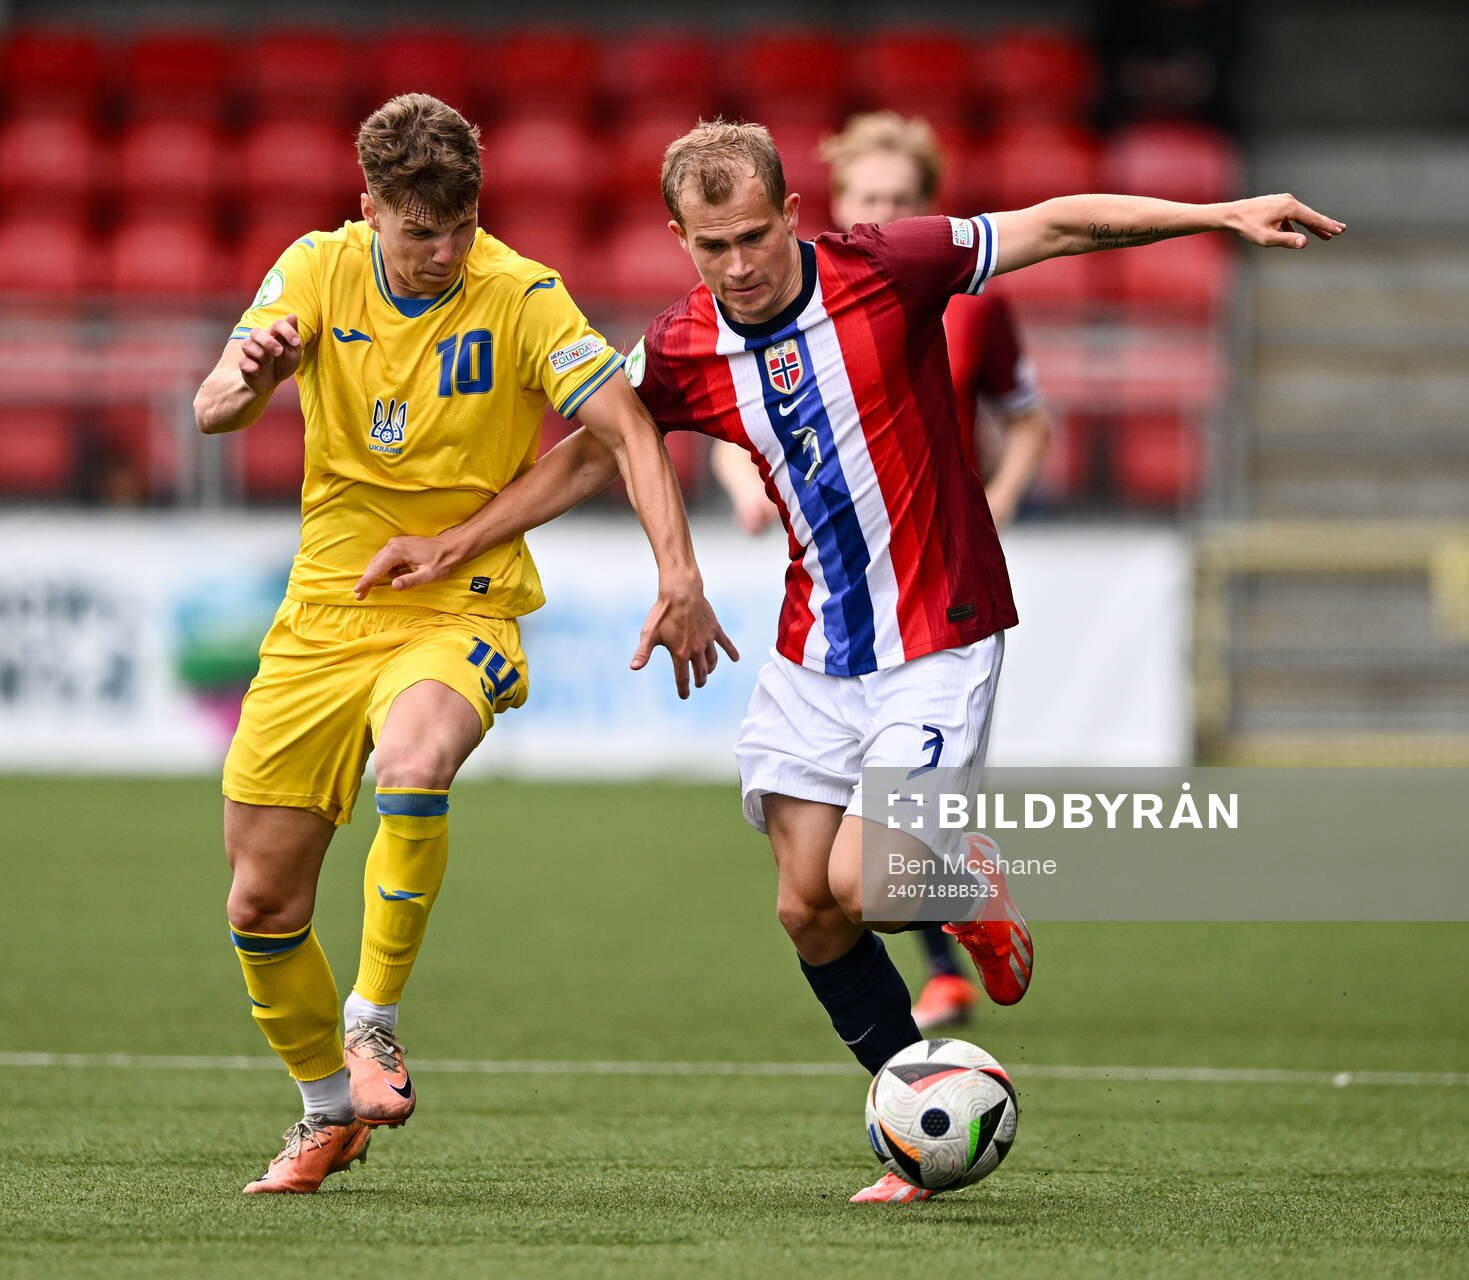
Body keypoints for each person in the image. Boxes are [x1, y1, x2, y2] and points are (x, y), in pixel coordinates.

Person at [357, 120, 1343, 1203]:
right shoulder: (684, 345)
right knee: (803, 906)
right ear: (678, 238)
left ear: (790, 216)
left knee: (865, 881)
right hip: (813, 647)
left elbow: (1056, 224)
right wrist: (455, 544)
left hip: (939, 630)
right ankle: (916, 1118)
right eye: (710, 246)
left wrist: (1221, 215)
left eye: (752, 238)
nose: (737, 265)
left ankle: (964, 882)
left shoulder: (888, 268)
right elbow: (595, 451)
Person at [193, 94, 734, 1195]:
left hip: (461, 605)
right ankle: (323, 1105)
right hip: (323, 615)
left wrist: (678, 570)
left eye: (456, 228)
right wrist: (246, 379)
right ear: (369, 211)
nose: (439, 253)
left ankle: (373, 1020)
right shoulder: (313, 269)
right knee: (260, 903)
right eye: (414, 232)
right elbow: (212, 407)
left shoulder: (521, 293)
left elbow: (624, 423)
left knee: (417, 757)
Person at [707, 111, 1055, 1031]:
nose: (884, 209)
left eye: (902, 199)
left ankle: (944, 911)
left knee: (878, 860)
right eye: (868, 197)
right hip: (833, 598)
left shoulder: (963, 298)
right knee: (816, 886)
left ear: (926, 208)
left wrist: (1006, 491)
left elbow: (1028, 420)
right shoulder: (793, 308)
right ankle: (934, 976)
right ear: (829, 204)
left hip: (938, 582)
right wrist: (741, 482)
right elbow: (729, 414)